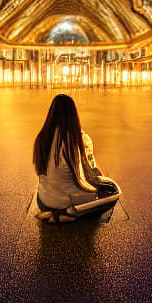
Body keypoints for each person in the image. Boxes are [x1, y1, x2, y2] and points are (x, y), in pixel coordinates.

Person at [33, 94, 104, 223]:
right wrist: (101, 182)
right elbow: (90, 171)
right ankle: (67, 213)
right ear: (73, 114)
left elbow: (39, 171)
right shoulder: (80, 138)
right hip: (72, 200)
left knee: (44, 194)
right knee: (106, 194)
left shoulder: (42, 137)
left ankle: (54, 213)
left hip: (44, 201)